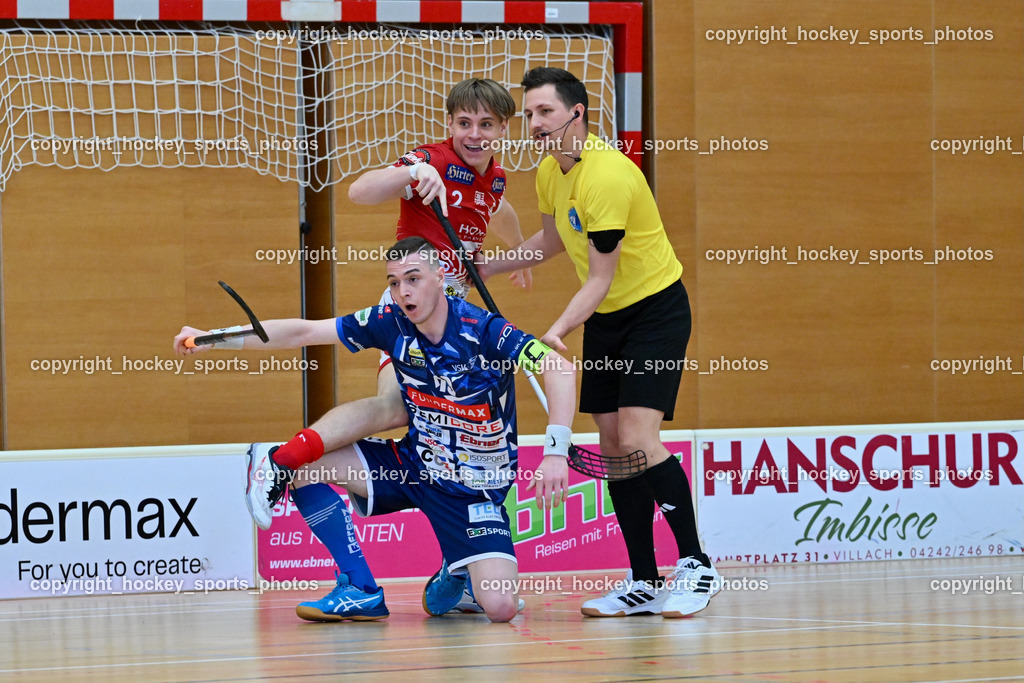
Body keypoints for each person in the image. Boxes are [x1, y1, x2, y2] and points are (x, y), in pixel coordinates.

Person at [174, 238, 574, 622]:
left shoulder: (485, 330)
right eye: (394, 283)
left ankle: (458, 570)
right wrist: (216, 339)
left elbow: (558, 367)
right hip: (413, 466)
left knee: (501, 607)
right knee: (303, 467)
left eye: (413, 279)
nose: (403, 292)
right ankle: (360, 588)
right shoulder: (389, 322)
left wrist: (555, 452)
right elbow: (305, 332)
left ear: (441, 276)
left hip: (474, 489)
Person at [478, 67, 721, 619]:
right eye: (530, 113)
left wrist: (558, 329)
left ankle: (697, 564)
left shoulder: (607, 176)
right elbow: (551, 240)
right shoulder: (550, 170)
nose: (535, 123)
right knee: (613, 449)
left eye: (545, 112)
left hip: (654, 311)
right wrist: (487, 268)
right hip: (608, 318)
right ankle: (644, 581)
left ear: (576, 114)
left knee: (637, 437)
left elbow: (599, 277)